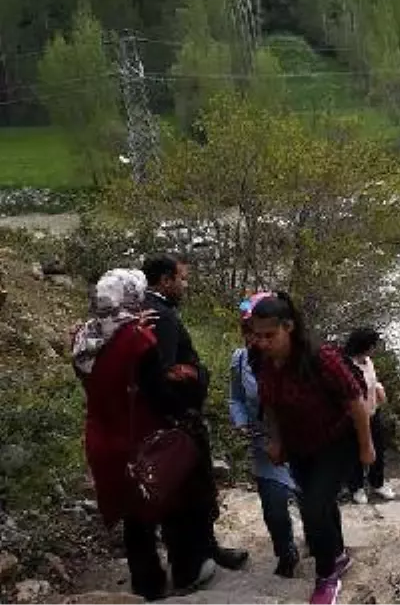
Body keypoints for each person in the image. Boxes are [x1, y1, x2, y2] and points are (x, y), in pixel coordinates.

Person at [75, 269, 218, 600]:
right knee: (171, 505)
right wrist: (194, 378)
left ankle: (146, 585)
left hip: (104, 438)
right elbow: (160, 393)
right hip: (143, 436)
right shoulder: (138, 340)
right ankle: (185, 573)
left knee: (133, 515)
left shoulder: (84, 337)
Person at [250, 293, 374, 605]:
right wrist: (276, 441)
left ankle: (326, 575)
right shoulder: (263, 360)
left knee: (313, 508)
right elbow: (271, 406)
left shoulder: (321, 357)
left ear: (288, 327)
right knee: (318, 501)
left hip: (336, 441)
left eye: (270, 335)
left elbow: (354, 400)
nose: (263, 342)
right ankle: (339, 554)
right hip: (300, 445)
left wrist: (366, 445)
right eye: (258, 335)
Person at [141, 255, 248, 572]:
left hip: (168, 418)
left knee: (190, 489)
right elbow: (163, 373)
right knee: (192, 490)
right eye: (182, 279)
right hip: (178, 419)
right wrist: (194, 385)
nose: (185, 285)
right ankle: (193, 560)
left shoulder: (147, 310)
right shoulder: (161, 316)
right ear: (165, 280)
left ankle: (204, 550)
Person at [229, 293, 299, 578]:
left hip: (301, 438)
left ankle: (326, 547)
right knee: (273, 504)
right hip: (264, 442)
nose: (255, 338)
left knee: (313, 501)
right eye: (249, 331)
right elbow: (236, 398)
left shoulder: (298, 357)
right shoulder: (240, 359)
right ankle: (285, 551)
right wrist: (242, 421)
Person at [344, 328, 396, 504]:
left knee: (378, 449)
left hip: (373, 412)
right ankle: (356, 487)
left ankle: (378, 482)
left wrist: (379, 389)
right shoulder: (347, 365)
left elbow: (373, 379)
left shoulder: (368, 361)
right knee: (354, 452)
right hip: (354, 417)